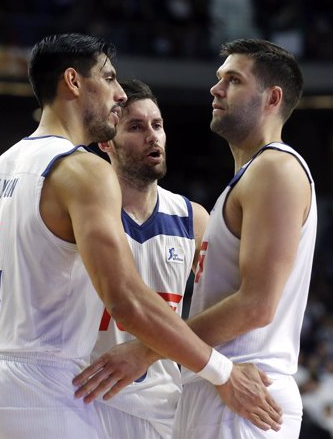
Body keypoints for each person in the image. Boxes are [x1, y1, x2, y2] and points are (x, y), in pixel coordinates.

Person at [0, 33, 281, 438]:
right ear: (73, 81)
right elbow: (128, 301)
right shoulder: (83, 169)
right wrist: (223, 373)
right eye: (110, 78)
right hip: (40, 382)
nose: (119, 94)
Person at [76, 38, 317, 438]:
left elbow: (258, 305)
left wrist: (147, 350)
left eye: (233, 80)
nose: (215, 88)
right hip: (205, 388)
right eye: (219, 78)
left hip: (242, 390)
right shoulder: (245, 180)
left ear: (272, 98)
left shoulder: (275, 168)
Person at [90, 78, 209, 438]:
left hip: (164, 409)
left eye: (157, 125)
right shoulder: (84, 213)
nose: (152, 136)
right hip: (87, 401)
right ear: (105, 141)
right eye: (136, 127)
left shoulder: (194, 219)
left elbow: (221, 310)